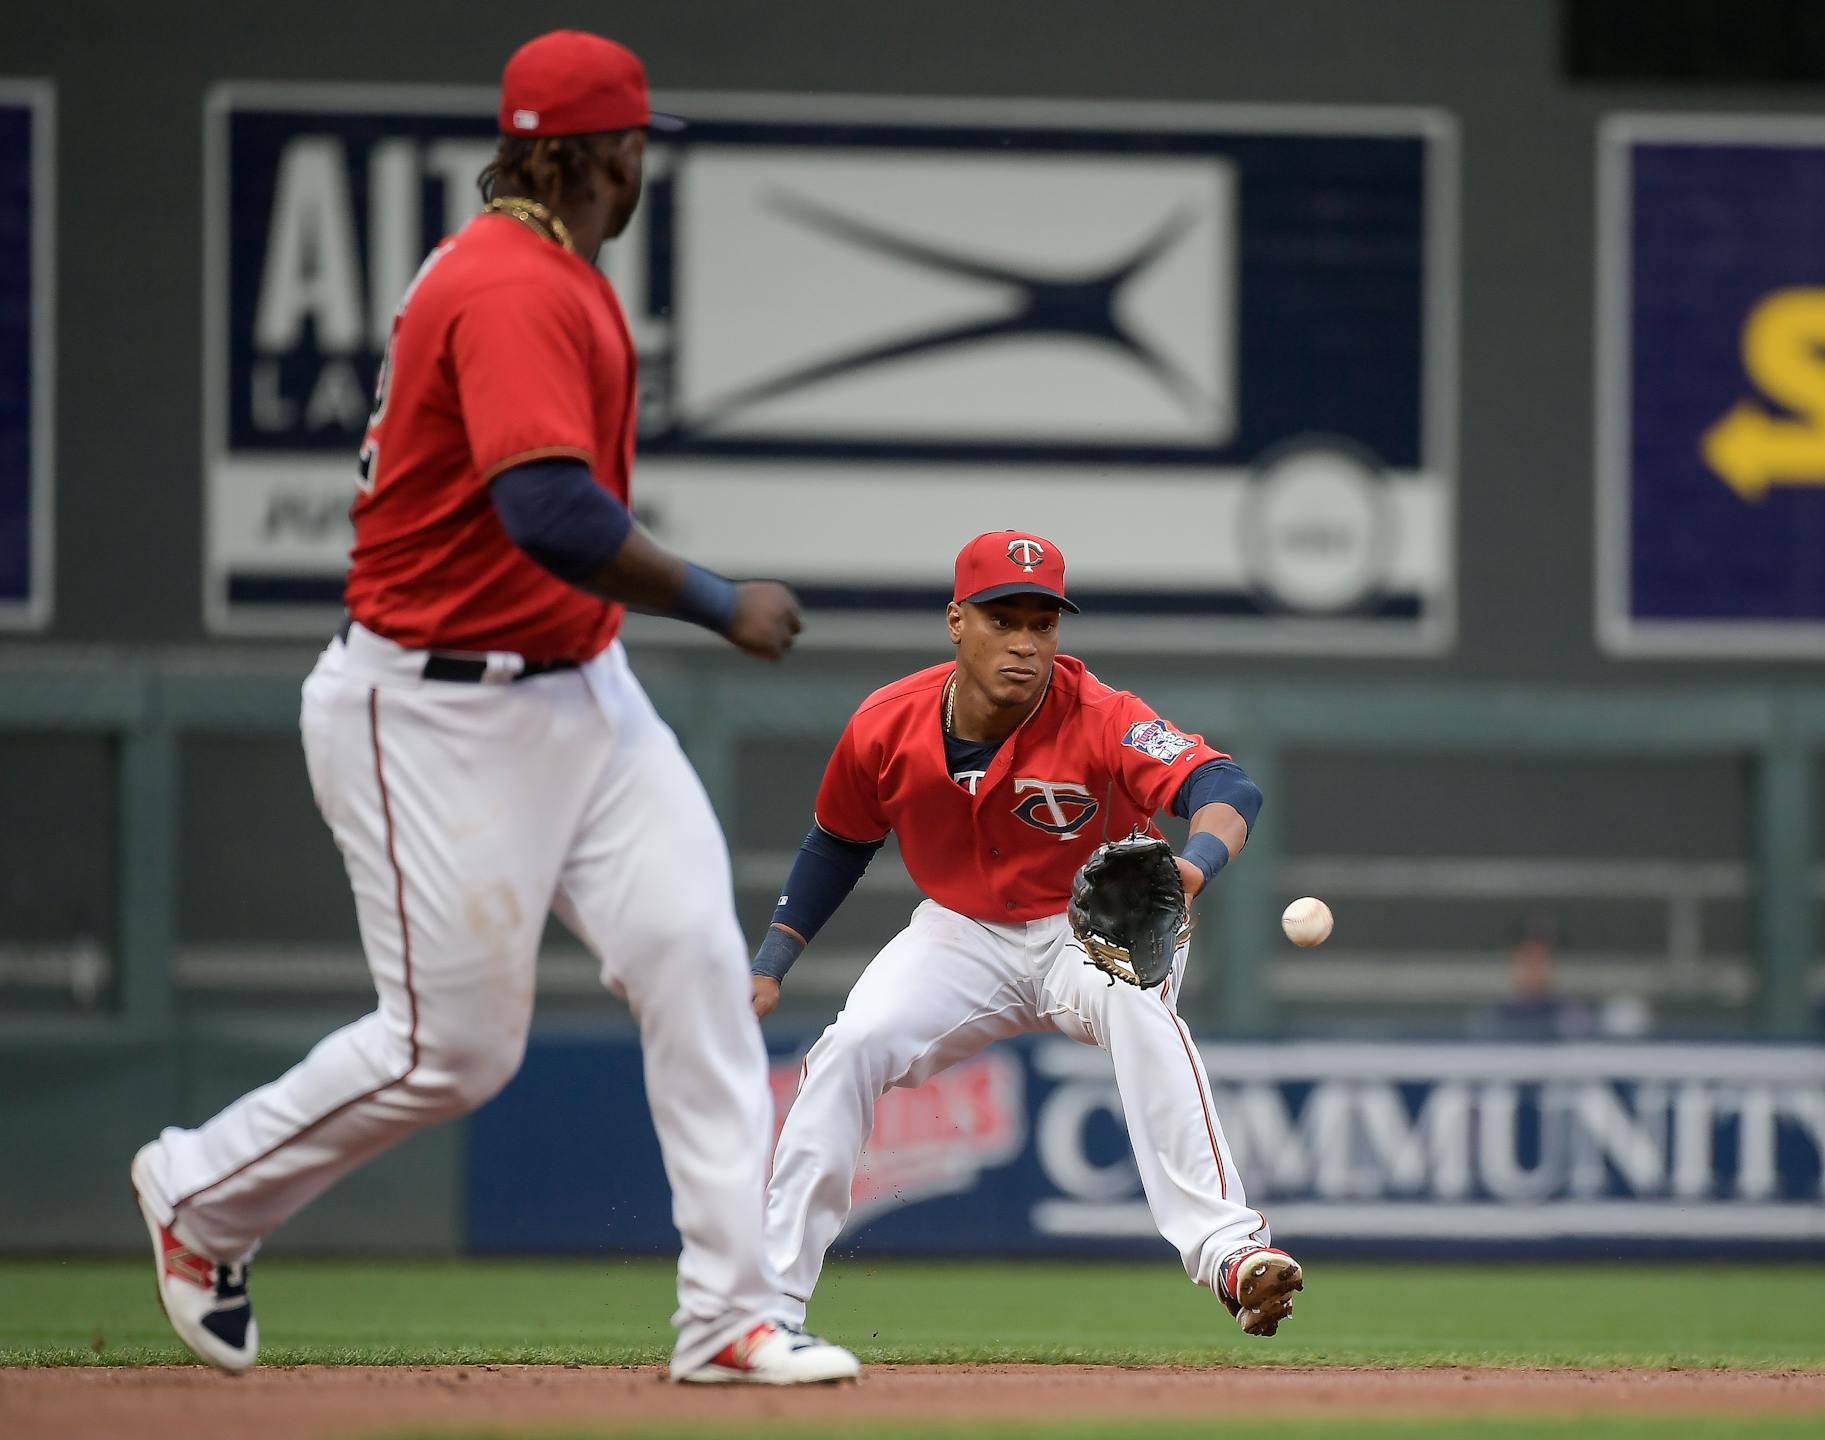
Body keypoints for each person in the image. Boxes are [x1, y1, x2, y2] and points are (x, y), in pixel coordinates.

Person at [127, 31, 857, 1386]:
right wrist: (718, 600)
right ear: (592, 157)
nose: (643, 169)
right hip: (429, 712)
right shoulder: (511, 283)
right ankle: (201, 1194)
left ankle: (731, 1313)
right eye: (633, 146)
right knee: (453, 1051)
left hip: (582, 693)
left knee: (698, 961)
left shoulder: (539, 269)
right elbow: (548, 511)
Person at [750, 532, 1303, 1338]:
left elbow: (1225, 786)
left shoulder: (1101, 715)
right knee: (851, 1047)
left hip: (1094, 928)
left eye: (1042, 624)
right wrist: (772, 962)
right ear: (956, 622)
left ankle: (1230, 1252)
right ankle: (765, 1307)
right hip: (961, 931)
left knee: (1137, 1007)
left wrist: (1197, 864)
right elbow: (838, 842)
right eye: (1002, 620)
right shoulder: (885, 723)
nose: (1024, 643)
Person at [1471, 914, 1594, 1040]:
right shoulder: (1492, 1020)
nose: (1534, 969)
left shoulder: (1572, 1018)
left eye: (1542, 960)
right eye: (1527, 959)